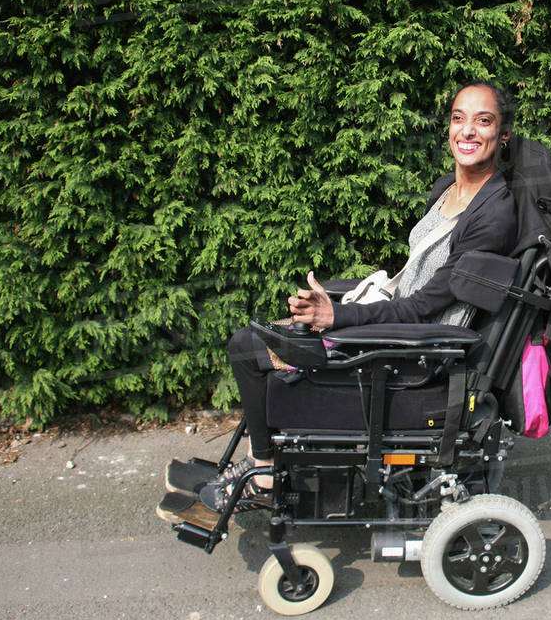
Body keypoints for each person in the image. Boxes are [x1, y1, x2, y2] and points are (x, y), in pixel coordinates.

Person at [201, 82, 519, 511]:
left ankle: (263, 473)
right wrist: (341, 306)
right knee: (264, 338)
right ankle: (265, 462)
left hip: (415, 354)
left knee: (246, 347)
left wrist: (339, 317)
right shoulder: (449, 189)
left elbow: (426, 305)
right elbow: (415, 282)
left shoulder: (493, 214)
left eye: (483, 121)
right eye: (458, 117)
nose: (467, 130)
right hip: (399, 329)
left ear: (503, 134)